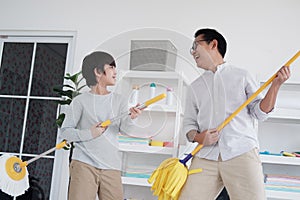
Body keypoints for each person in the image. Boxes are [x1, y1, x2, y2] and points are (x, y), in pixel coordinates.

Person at [179, 28, 290, 200]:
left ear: (213, 44)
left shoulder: (242, 76)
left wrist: (275, 86)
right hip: (206, 156)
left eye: (196, 45)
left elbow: (260, 113)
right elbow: (188, 125)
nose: (193, 52)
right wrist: (199, 137)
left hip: (241, 153)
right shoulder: (195, 87)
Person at [60, 51, 142, 200]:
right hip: (84, 164)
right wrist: (90, 133)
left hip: (111, 166)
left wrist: (132, 118)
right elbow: (65, 132)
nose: (115, 71)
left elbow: (125, 130)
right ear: (98, 72)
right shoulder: (80, 101)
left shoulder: (119, 100)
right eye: (111, 67)